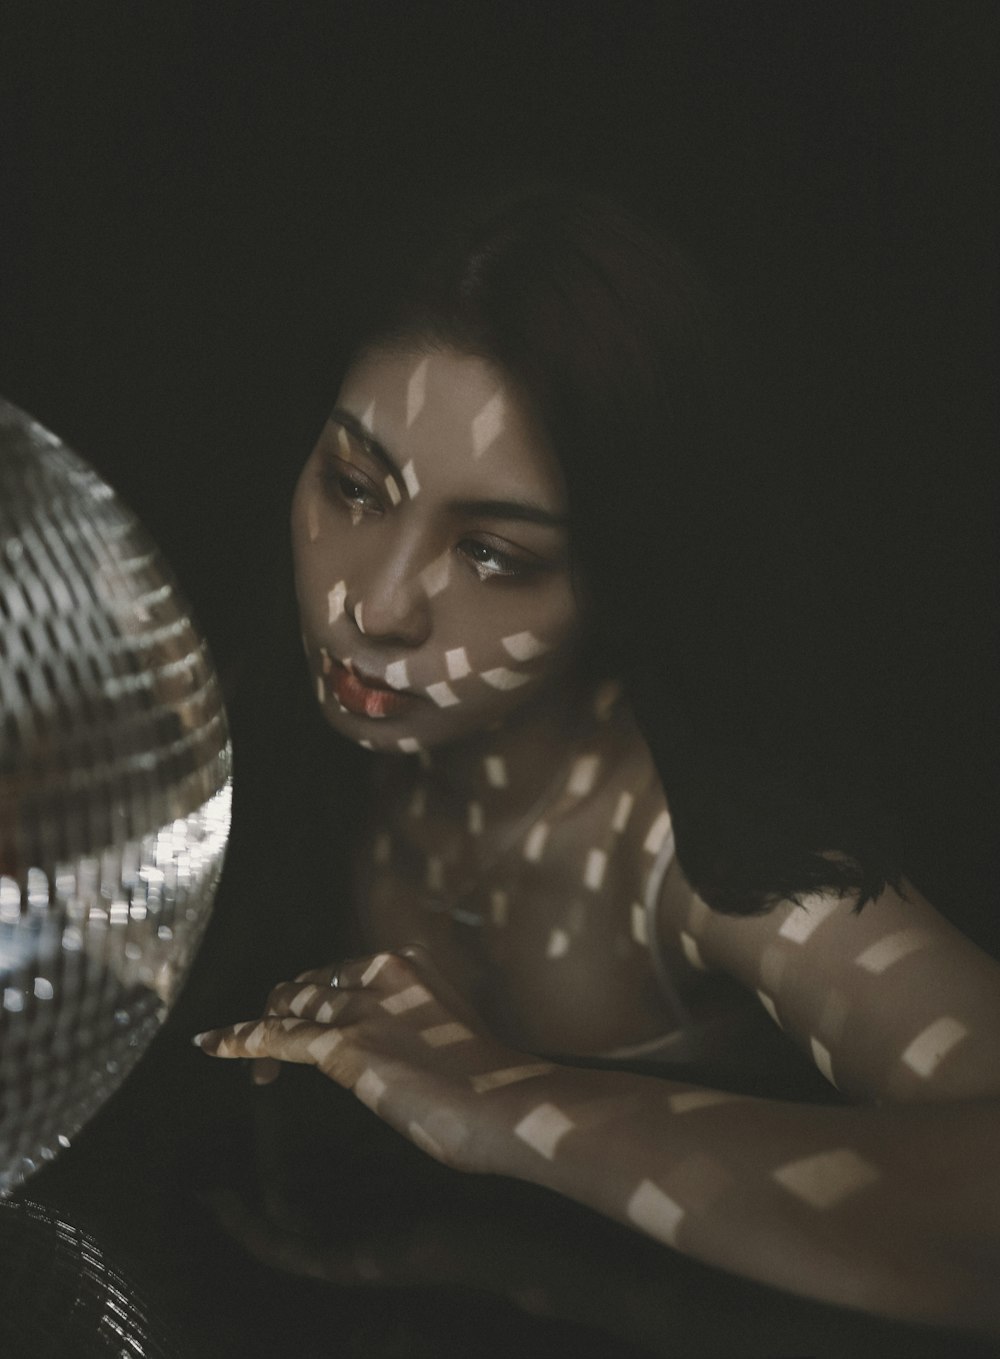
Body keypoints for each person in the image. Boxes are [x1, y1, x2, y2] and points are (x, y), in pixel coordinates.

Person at [193, 185, 1000, 1336]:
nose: (372, 604)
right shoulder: (275, 713)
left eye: (493, 553)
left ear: (627, 572)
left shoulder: (690, 843)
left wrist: (509, 1100)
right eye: (355, 488)